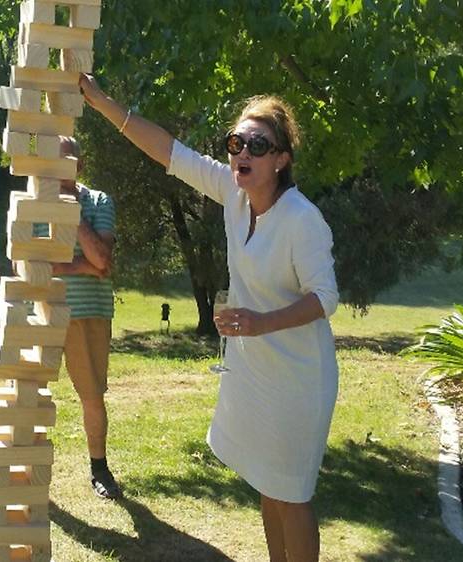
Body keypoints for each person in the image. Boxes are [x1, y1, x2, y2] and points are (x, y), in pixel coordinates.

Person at [79, 75, 339, 561]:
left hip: (301, 377)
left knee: (293, 494)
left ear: (281, 159)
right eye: (236, 142)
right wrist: (101, 103)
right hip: (256, 372)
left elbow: (325, 298)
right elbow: (167, 150)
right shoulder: (233, 193)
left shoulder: (302, 219)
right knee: (267, 484)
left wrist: (260, 323)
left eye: (257, 145)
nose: (242, 152)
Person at [45, 136, 122, 499]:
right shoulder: (35, 204)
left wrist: (73, 216)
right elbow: (27, 264)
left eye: (67, 162)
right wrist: (84, 266)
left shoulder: (99, 202)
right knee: (28, 391)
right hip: (43, 308)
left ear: (80, 165)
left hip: (88, 312)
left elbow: (103, 261)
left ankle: (99, 468)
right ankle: (25, 469)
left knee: (91, 395)